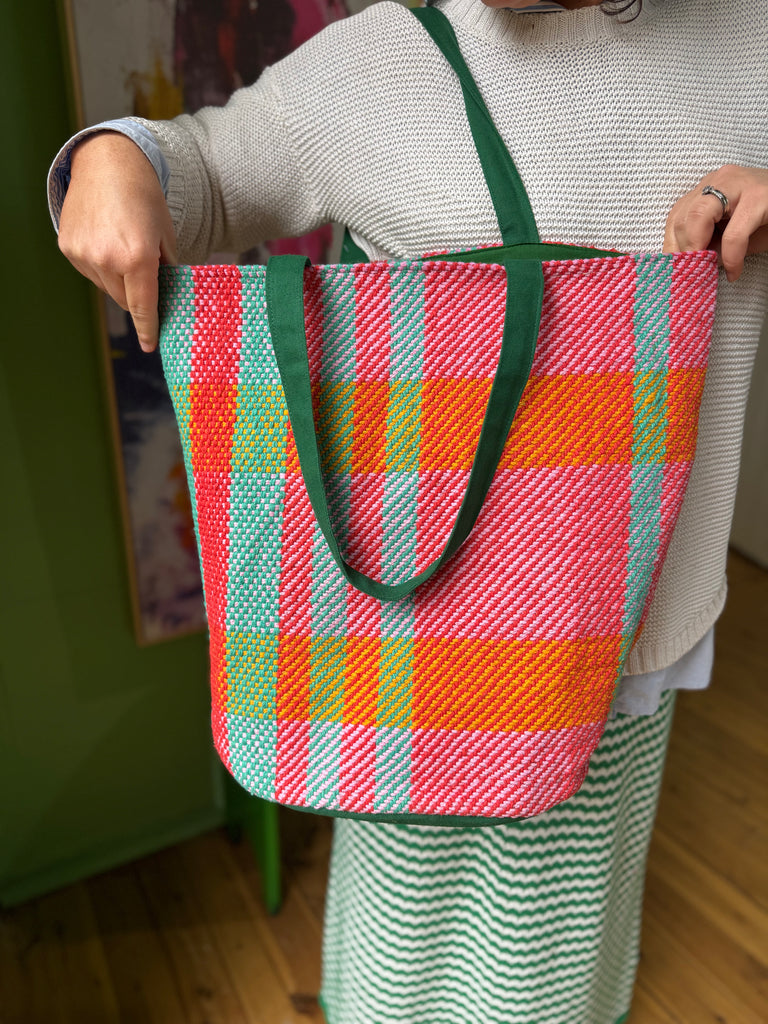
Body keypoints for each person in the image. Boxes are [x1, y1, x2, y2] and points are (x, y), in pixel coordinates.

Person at [49, 1, 767, 1021]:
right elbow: (204, 167)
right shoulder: (384, 56)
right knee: (403, 938)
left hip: (625, 629)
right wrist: (115, 156)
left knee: (554, 953)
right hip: (406, 635)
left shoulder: (750, 39)